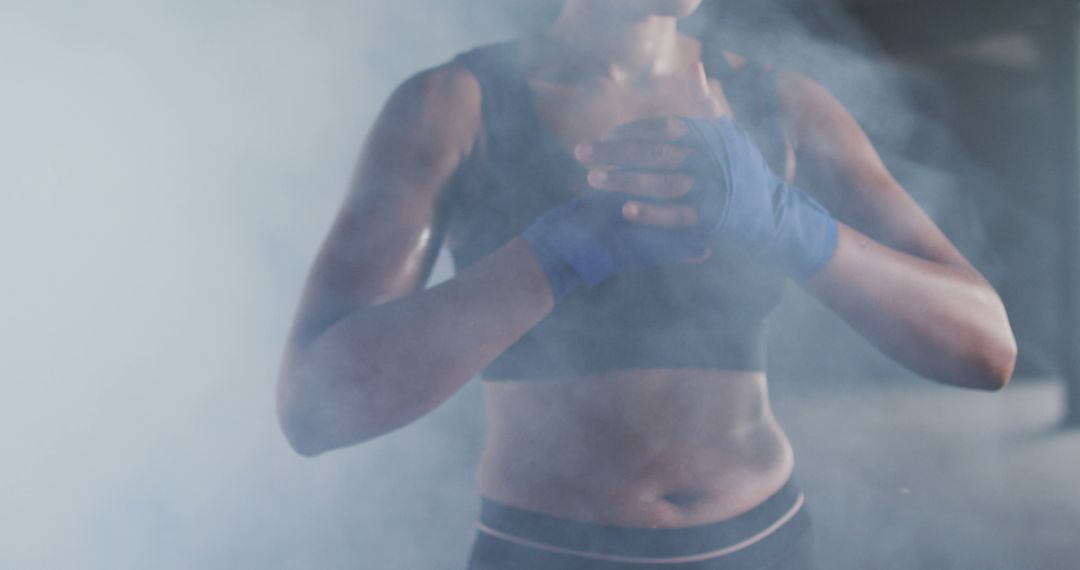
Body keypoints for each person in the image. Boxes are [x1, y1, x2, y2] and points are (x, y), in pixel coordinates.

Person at [275, 1, 1018, 567]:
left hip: (759, 543)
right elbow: (316, 408)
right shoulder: (452, 105)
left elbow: (987, 350)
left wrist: (784, 224)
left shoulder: (781, 104)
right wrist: (554, 255)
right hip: (548, 550)